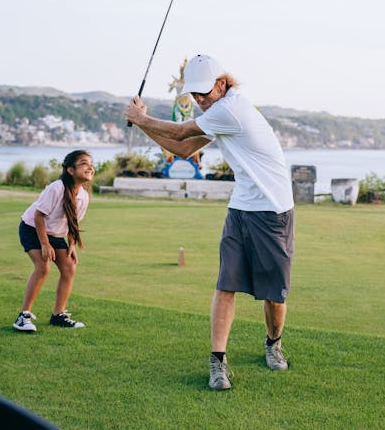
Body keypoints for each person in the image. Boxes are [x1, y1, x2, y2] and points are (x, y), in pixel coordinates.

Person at [125, 54, 295, 391]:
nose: (200, 99)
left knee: (273, 295)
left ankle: (273, 344)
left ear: (222, 83)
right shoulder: (217, 113)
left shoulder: (230, 109)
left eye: (205, 92)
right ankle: (218, 362)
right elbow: (184, 149)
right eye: (195, 94)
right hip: (241, 208)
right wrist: (143, 123)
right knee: (225, 285)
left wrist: (142, 116)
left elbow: (182, 129)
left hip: (273, 210)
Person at [13, 150, 94, 332]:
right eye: (83, 163)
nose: (90, 167)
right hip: (32, 229)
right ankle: (23, 316)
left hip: (56, 235)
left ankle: (58, 315)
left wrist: (72, 245)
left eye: (91, 163)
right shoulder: (56, 188)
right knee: (43, 267)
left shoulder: (83, 196)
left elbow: (74, 222)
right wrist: (44, 244)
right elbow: (39, 215)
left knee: (69, 267)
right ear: (71, 170)